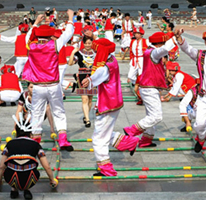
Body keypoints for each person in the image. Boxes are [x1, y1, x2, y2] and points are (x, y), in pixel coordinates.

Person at [81, 33, 139, 177]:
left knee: (99, 138)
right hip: (114, 102)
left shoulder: (105, 66)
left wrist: (89, 80)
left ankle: (106, 167)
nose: (94, 52)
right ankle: (129, 142)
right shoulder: (111, 59)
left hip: (107, 104)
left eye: (96, 50)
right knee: (104, 132)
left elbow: (97, 75)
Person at [22, 10, 74, 151]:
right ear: (51, 35)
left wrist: (36, 23)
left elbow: (27, 38)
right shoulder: (55, 45)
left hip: (38, 86)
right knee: (59, 112)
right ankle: (62, 139)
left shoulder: (31, 46)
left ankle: (36, 141)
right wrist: (70, 18)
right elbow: (68, 33)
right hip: (54, 85)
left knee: (37, 113)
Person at [123, 32, 177, 148]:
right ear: (159, 44)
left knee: (151, 116)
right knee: (156, 117)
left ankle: (146, 140)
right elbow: (166, 49)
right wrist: (175, 38)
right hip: (149, 88)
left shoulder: (149, 51)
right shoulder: (154, 53)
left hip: (149, 88)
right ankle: (131, 130)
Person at [0, 116, 57, 199]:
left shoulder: (10, 144)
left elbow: (1, 166)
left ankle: (14, 189)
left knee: (11, 168)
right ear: (30, 133)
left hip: (11, 178)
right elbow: (47, 166)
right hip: (30, 179)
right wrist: (52, 180)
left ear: (16, 132)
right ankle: (27, 189)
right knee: (29, 169)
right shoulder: (36, 145)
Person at [174, 29, 206, 152]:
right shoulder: (201, 56)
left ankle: (201, 139)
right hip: (203, 97)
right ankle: (201, 137)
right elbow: (188, 49)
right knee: (199, 125)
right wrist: (179, 38)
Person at [68, 36, 96, 127]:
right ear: (83, 44)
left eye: (89, 43)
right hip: (82, 77)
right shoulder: (79, 53)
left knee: (90, 99)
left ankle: (86, 115)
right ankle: (87, 120)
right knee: (84, 99)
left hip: (93, 77)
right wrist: (72, 52)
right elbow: (70, 63)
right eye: (86, 43)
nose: (88, 45)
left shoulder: (95, 53)